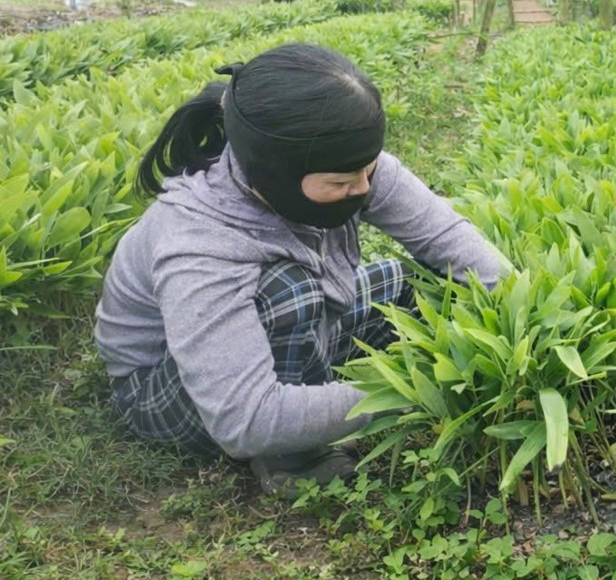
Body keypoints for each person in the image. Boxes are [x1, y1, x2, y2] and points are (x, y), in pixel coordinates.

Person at [94, 43, 505, 497]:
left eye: (368, 172)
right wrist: (412, 391)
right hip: (167, 390)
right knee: (291, 291)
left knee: (423, 281)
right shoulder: (200, 241)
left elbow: (447, 238)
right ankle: (291, 456)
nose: (363, 189)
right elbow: (243, 418)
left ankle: (310, 396)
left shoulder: (342, 164)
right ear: (275, 173)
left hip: (291, 325)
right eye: (343, 184)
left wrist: (519, 319)